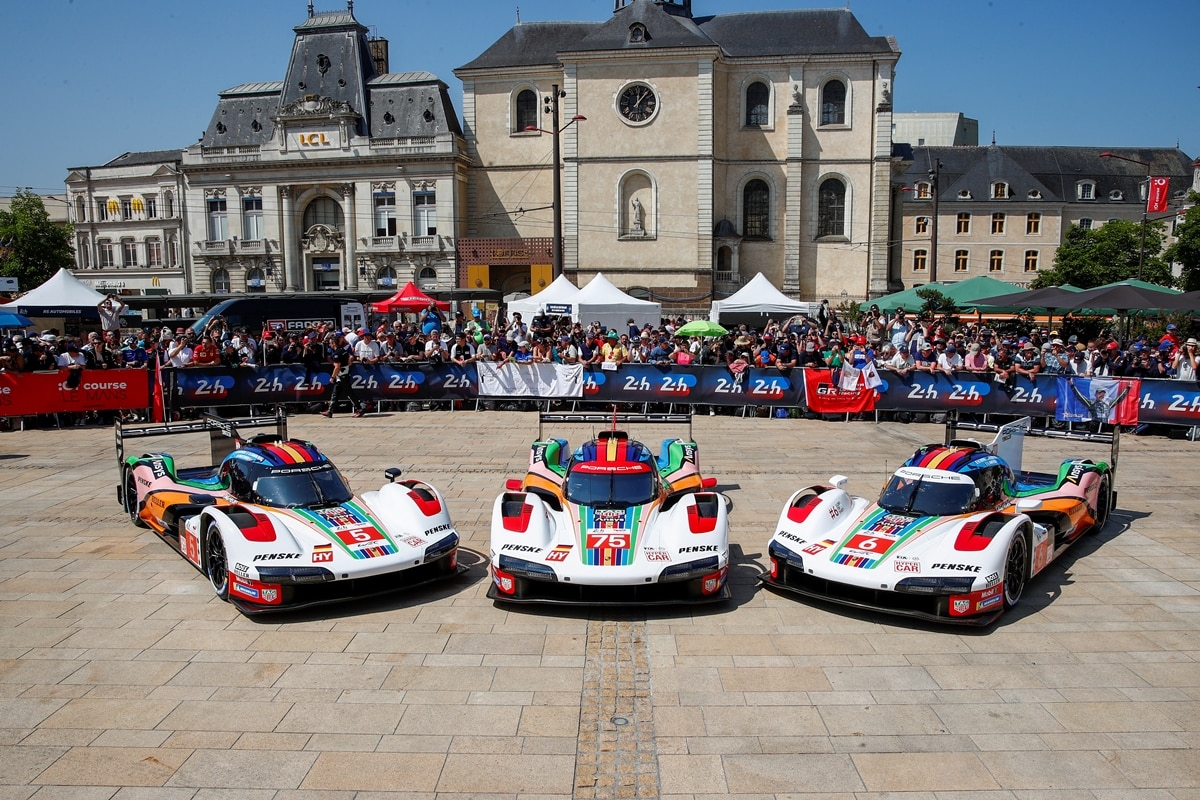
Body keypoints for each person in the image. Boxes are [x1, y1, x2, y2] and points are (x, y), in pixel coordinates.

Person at [322, 331, 365, 418]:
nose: (329, 345)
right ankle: (330, 411)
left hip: (343, 376)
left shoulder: (337, 353)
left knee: (349, 393)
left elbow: (337, 367)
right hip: (342, 376)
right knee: (335, 394)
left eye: (330, 343)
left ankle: (360, 408)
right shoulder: (342, 350)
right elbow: (350, 357)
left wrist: (332, 377)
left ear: (334, 343)